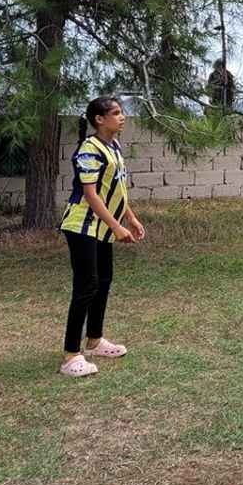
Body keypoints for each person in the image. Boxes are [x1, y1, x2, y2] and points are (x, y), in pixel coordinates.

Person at [58, 97, 145, 378]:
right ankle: (71, 355)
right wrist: (117, 227)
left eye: (122, 112)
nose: (123, 117)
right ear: (99, 119)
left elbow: (116, 188)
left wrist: (129, 218)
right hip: (82, 225)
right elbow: (90, 194)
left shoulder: (114, 147)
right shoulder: (89, 150)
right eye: (116, 113)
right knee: (86, 286)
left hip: (101, 227)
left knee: (103, 282)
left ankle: (94, 341)